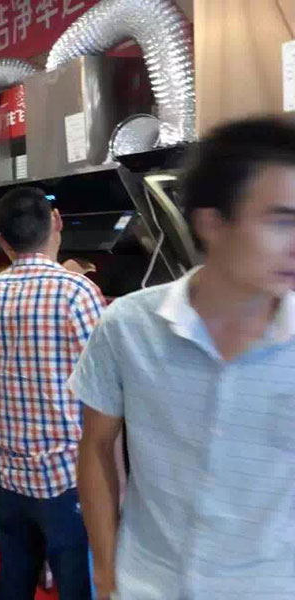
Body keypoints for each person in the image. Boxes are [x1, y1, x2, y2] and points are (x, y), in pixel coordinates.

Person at [71, 117, 295, 599]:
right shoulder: (128, 327)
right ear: (212, 222)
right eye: (281, 221)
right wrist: (106, 574)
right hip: (149, 583)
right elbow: (96, 447)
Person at [0, 187, 103, 599]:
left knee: (14, 576)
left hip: (7, 477)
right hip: (66, 479)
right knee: (76, 585)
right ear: (56, 222)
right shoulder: (77, 291)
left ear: (4, 241)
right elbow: (108, 384)